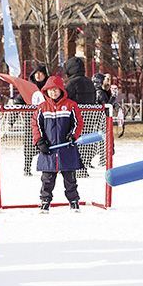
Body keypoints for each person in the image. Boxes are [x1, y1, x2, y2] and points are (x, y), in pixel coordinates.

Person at [31, 76, 84, 213]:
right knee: (47, 179)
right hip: (49, 150)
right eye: (50, 90)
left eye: (55, 90)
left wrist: (73, 135)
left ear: (61, 90)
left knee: (70, 178)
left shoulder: (71, 105)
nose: (53, 92)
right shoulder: (42, 108)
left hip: (67, 149)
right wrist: (40, 141)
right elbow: (36, 125)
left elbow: (78, 123)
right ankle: (45, 201)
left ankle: (74, 201)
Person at [12, 64, 49, 176]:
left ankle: (47, 167)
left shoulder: (48, 88)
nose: (38, 75)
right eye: (36, 73)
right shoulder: (28, 88)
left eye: (41, 73)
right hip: (31, 122)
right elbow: (19, 101)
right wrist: (12, 119)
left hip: (47, 121)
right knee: (29, 145)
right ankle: (27, 167)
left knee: (47, 144)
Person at [63, 57, 96, 178]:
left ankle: (76, 167)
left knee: (74, 143)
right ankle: (83, 166)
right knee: (85, 143)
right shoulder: (89, 82)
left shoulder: (71, 83)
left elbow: (65, 99)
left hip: (75, 118)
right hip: (89, 117)